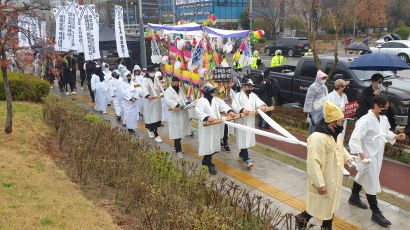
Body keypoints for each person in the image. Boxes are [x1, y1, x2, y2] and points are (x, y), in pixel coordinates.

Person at [348, 95, 406, 227]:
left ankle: (354, 196)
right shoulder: (365, 120)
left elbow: (385, 133)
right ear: (375, 104)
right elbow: (354, 139)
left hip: (377, 156)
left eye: (386, 107)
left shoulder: (383, 119)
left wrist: (396, 136)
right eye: (383, 106)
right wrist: (362, 155)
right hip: (367, 157)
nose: (385, 109)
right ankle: (376, 212)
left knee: (362, 175)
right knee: (372, 181)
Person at [296, 101, 354, 230]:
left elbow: (340, 148)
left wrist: (348, 158)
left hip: (334, 177)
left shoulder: (335, 134)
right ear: (332, 122)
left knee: (327, 204)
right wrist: (319, 183)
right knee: (322, 204)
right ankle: (323, 226)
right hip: (324, 178)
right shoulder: (317, 137)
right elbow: (313, 162)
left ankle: (303, 220)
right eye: (340, 122)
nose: (342, 125)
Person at [196, 83, 236, 175]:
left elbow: (223, 106)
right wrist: (206, 117)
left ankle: (205, 161)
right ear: (205, 91)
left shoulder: (216, 100)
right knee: (208, 146)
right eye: (210, 90)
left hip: (215, 126)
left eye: (213, 90)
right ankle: (209, 165)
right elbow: (199, 112)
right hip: (206, 127)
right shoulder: (201, 101)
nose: (212, 92)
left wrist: (230, 111)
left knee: (214, 147)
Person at [232, 79, 268, 168]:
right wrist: (242, 110)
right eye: (248, 86)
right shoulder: (238, 95)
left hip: (250, 120)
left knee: (247, 140)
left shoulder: (253, 95)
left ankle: (241, 155)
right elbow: (234, 105)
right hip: (242, 121)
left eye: (251, 86)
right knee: (243, 139)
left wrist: (262, 105)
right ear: (243, 86)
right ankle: (247, 159)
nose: (250, 88)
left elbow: (258, 102)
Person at [327, 78, 351, 176]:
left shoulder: (344, 96)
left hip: (343, 122)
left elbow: (347, 107)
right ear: (340, 86)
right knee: (334, 143)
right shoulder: (330, 96)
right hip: (334, 124)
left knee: (340, 142)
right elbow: (328, 111)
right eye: (344, 85)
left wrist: (352, 108)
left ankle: (339, 165)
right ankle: (336, 165)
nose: (346, 87)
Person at [164, 77, 192, 158]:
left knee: (181, 131)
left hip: (182, 113)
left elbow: (183, 98)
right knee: (176, 132)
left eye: (177, 83)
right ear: (171, 83)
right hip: (175, 114)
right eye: (175, 83)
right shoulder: (168, 91)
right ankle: (178, 150)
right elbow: (168, 101)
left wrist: (187, 103)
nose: (177, 84)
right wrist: (177, 105)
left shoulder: (180, 89)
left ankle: (176, 147)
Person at [141, 66, 163, 143]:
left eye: (153, 71)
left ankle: (151, 130)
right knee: (152, 117)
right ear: (147, 72)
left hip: (156, 99)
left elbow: (159, 87)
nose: (152, 72)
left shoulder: (156, 78)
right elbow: (144, 88)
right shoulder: (145, 80)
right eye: (151, 71)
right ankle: (156, 134)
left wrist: (163, 92)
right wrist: (147, 95)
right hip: (150, 100)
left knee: (156, 117)